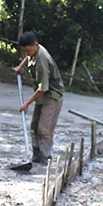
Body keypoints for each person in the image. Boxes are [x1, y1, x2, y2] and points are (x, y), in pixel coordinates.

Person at [15, 31, 65, 165]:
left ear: (36, 45)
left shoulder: (42, 61)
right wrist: (21, 66)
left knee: (44, 129)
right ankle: (36, 157)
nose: (27, 54)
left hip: (52, 96)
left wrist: (27, 104)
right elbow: (29, 57)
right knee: (34, 126)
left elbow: (43, 88)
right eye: (24, 52)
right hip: (42, 96)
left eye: (28, 51)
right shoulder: (34, 50)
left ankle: (46, 159)